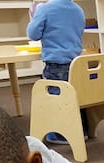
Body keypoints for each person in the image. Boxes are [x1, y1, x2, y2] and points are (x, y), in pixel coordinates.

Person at [27, 0, 86, 144]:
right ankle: (82, 130)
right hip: (76, 62)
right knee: (75, 96)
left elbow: (33, 34)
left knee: (55, 99)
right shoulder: (78, 9)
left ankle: (61, 134)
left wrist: (35, 15)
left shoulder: (45, 9)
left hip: (56, 63)